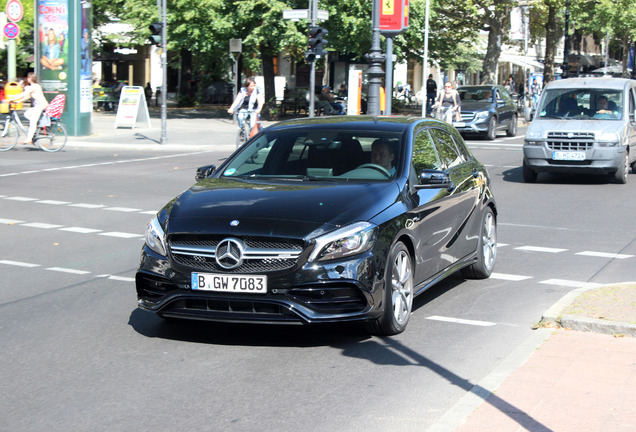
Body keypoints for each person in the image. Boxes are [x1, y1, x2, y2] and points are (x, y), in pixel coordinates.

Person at [10, 72, 49, 145]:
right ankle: (35, 129)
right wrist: (18, 101)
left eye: (28, 78)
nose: (27, 79)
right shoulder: (33, 87)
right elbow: (28, 96)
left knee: (33, 121)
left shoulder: (35, 86)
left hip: (41, 105)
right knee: (26, 114)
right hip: (38, 106)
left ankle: (29, 138)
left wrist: (12, 99)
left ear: (30, 78)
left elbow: (23, 94)